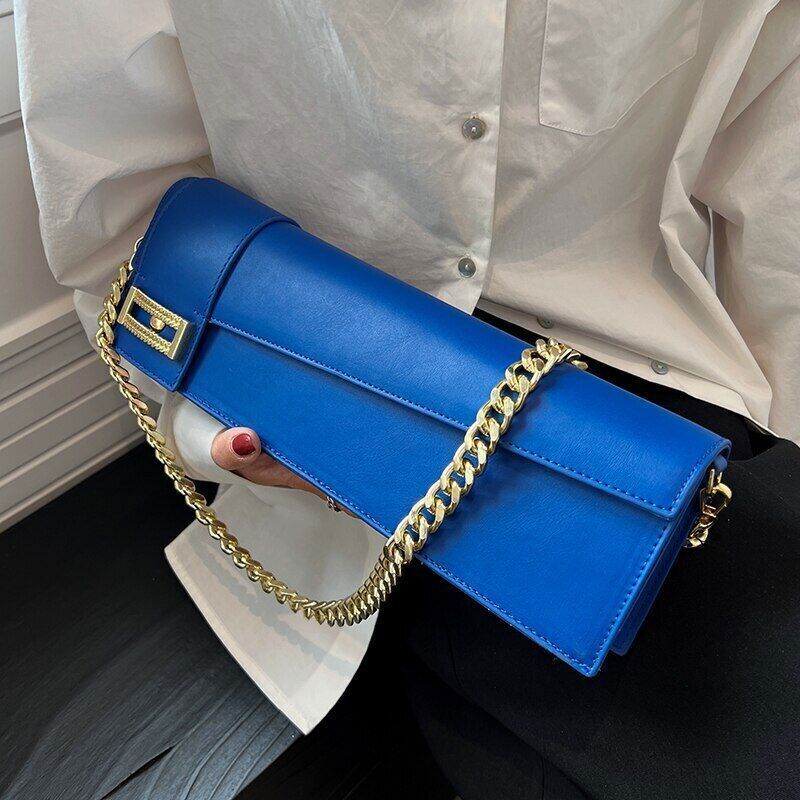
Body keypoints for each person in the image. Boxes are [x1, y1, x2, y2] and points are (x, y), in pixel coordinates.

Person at [16, 1, 800, 797]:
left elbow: (778, 182)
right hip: (300, 381)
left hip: (648, 393)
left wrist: (776, 426)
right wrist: (198, 424)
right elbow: (121, 201)